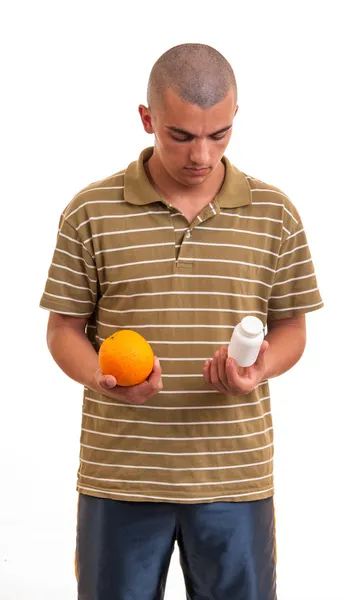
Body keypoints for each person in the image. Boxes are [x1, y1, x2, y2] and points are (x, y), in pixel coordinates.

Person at [40, 43, 323, 600]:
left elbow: (292, 328)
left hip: (234, 476)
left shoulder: (275, 213)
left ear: (234, 117)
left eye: (219, 135)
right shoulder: (90, 211)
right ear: (147, 119)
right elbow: (63, 330)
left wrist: (259, 370)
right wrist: (103, 379)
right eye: (182, 136)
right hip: (120, 475)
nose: (202, 154)